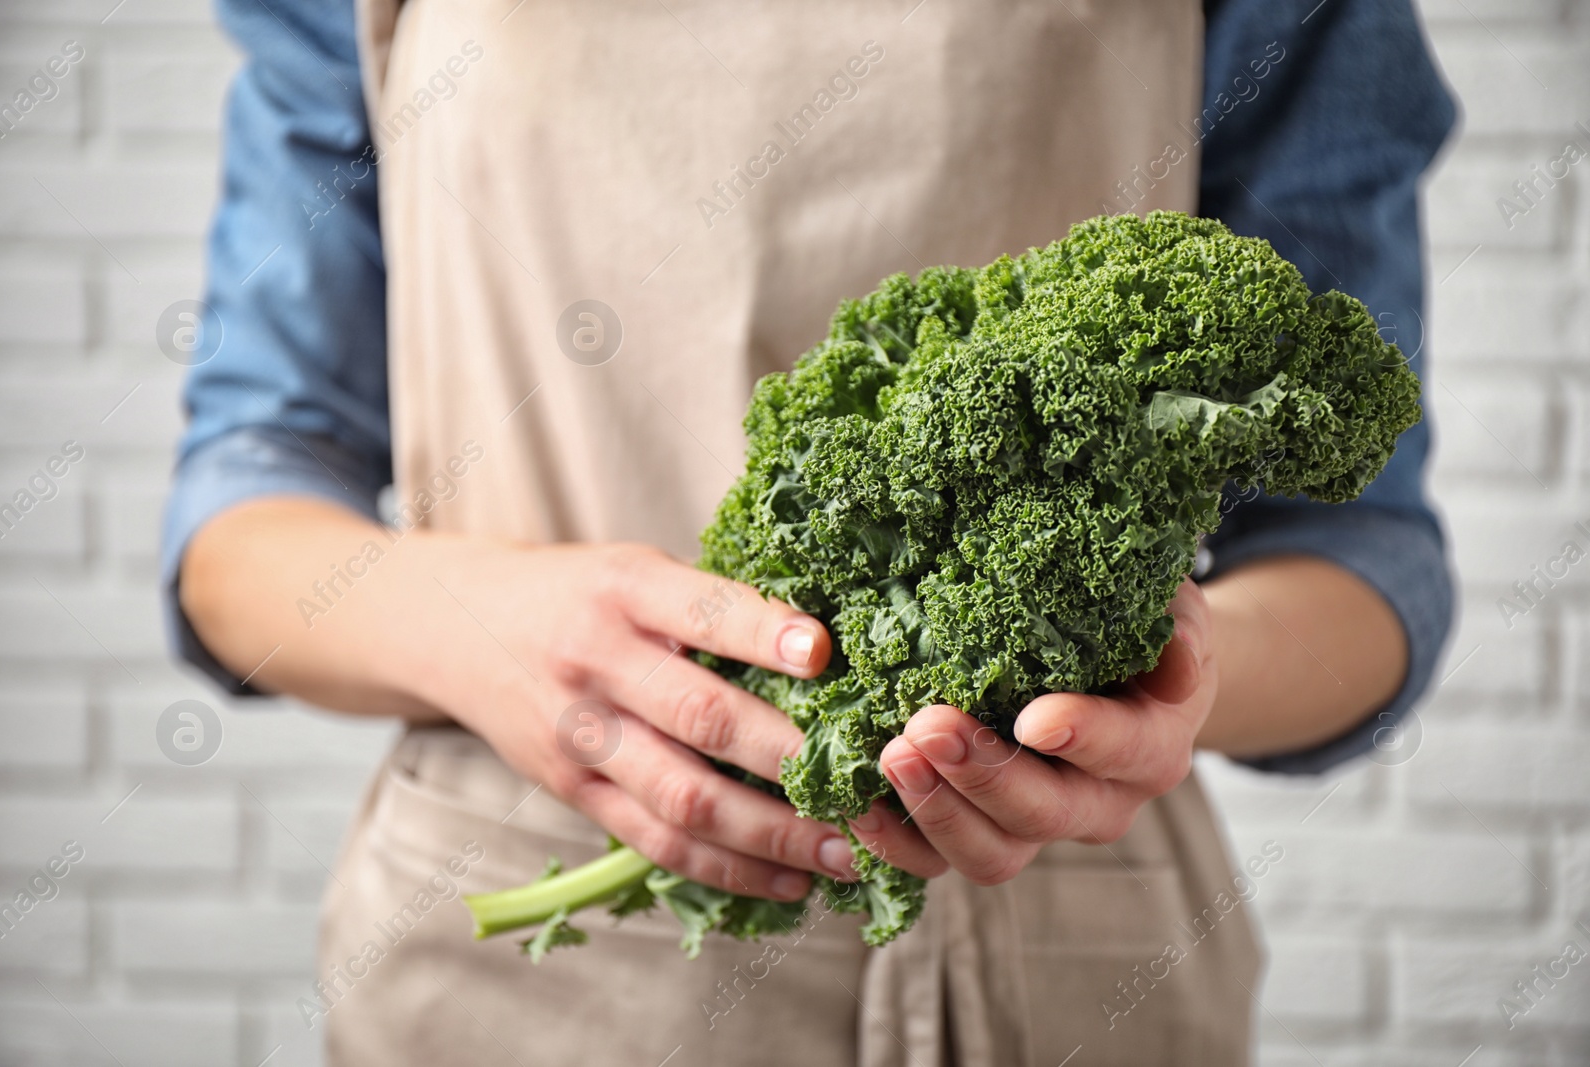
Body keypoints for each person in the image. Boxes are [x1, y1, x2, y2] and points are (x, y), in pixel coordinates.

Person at [163, 0, 1455, 1062]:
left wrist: (1174, 682)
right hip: (526, 1000)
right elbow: (243, 510)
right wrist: (479, 624)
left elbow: (1365, 554)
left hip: (1072, 969)